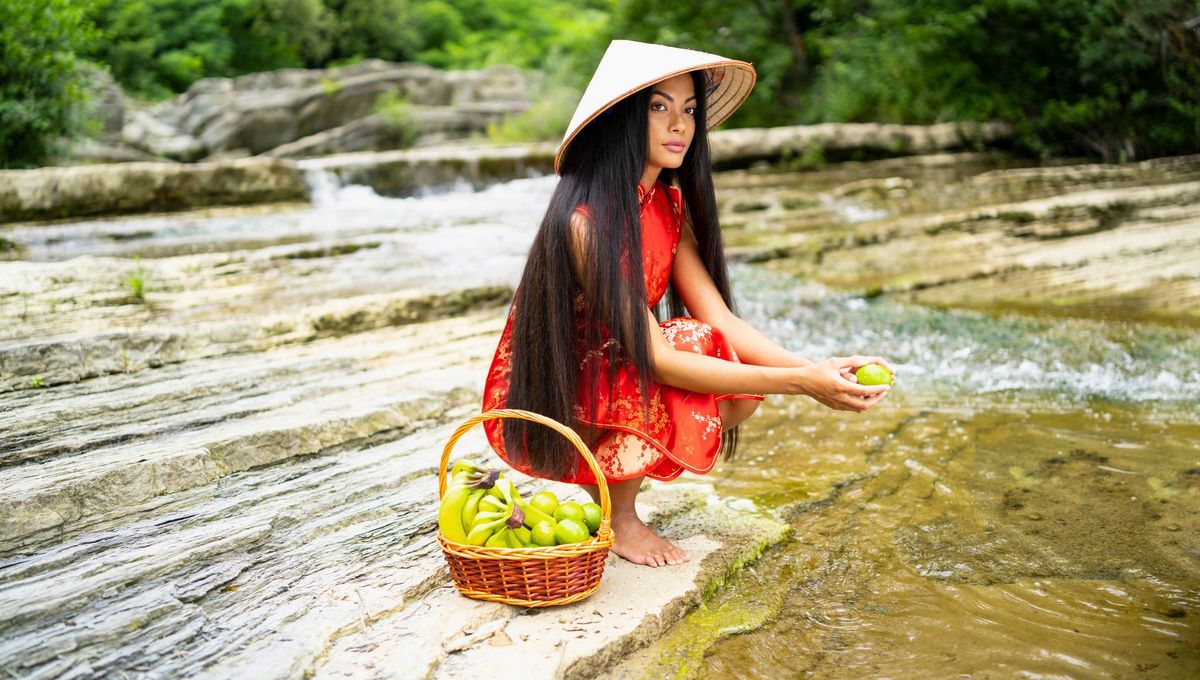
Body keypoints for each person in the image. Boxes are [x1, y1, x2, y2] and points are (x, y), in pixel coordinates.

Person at [482, 40, 893, 567]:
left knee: (715, 342)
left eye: (690, 109)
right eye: (659, 106)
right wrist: (800, 385)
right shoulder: (584, 223)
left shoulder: (667, 205)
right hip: (562, 397)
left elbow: (720, 315)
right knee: (686, 342)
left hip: (617, 375)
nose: (680, 124)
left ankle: (615, 492)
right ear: (622, 118)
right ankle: (620, 518)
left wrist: (818, 369)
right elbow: (656, 357)